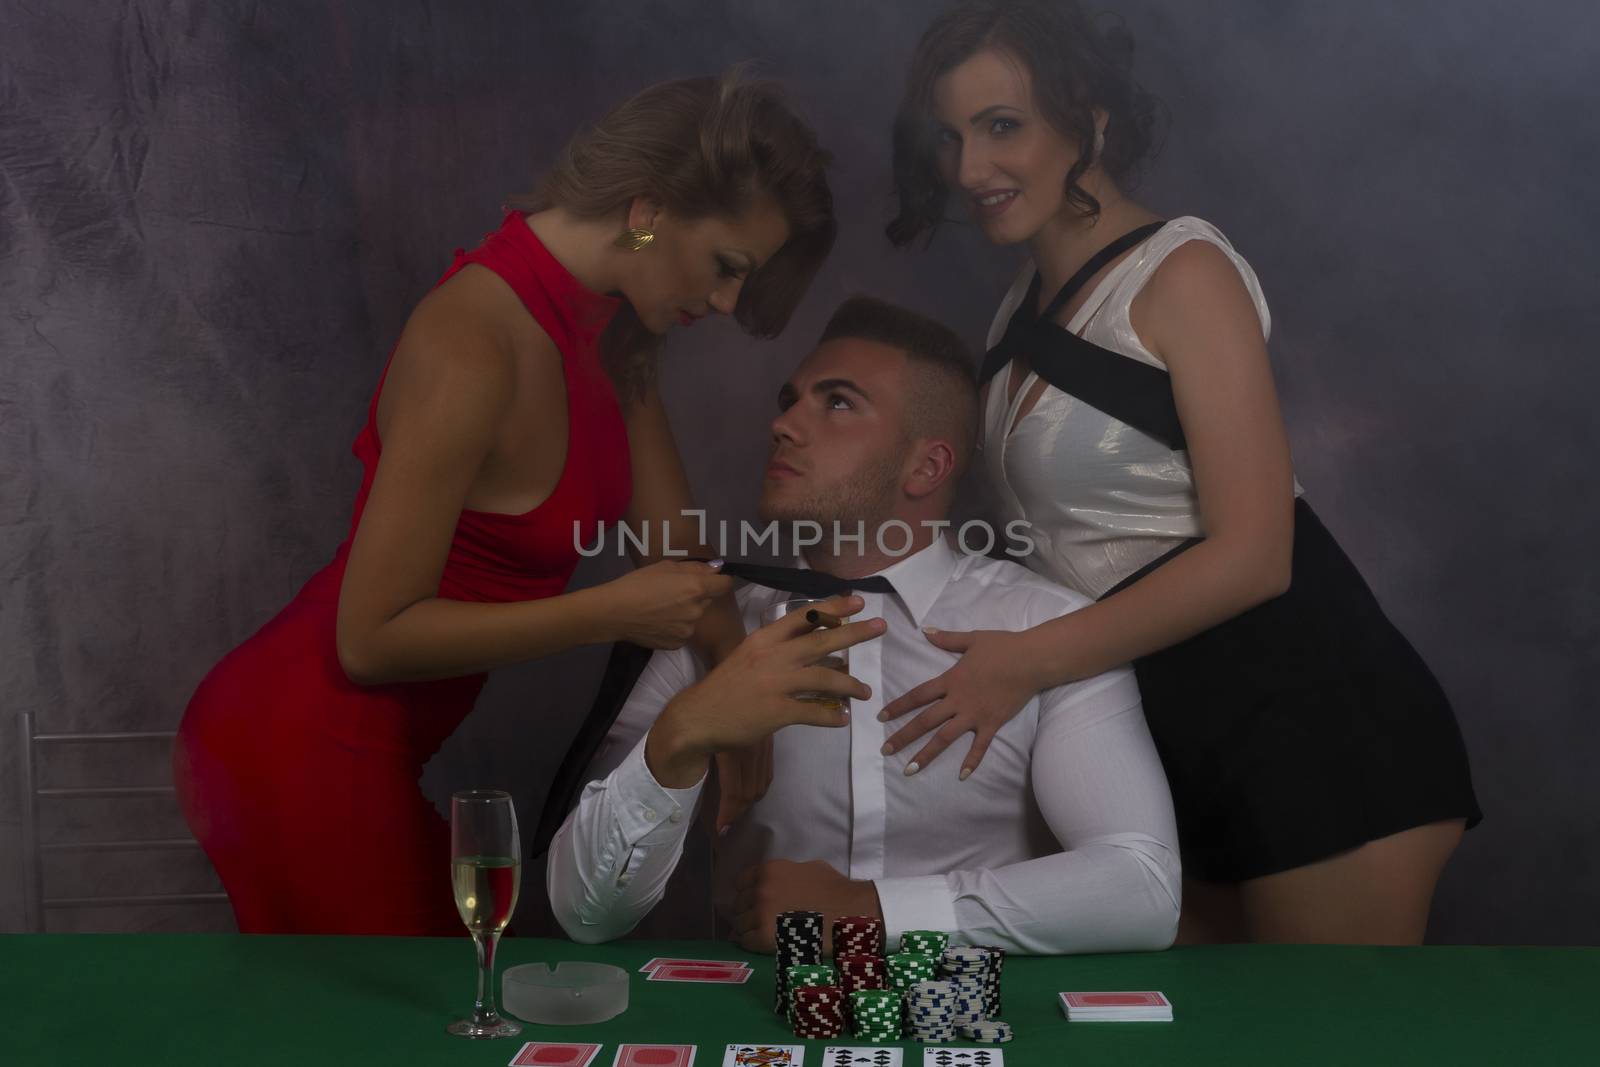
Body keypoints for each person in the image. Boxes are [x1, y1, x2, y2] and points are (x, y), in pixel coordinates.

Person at [172, 71, 837, 935]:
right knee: (428, 1023)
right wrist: (605, 612)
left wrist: (738, 698)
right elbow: (369, 639)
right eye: (725, 268)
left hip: (375, 751)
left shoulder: (617, 328)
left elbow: (674, 562)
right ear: (649, 209)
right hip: (292, 742)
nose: (725, 302)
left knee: (458, 1000)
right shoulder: (471, 337)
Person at [878, 0, 1480, 944]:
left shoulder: (1183, 269)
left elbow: (1255, 558)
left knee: (1313, 1040)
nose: (969, 170)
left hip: (1310, 720)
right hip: (1162, 737)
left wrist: (1025, 663)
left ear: (1090, 118)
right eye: (952, 137)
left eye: (1003, 127)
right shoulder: (1013, 314)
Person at [546, 297, 1180, 955]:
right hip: (761, 1037)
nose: (784, 424)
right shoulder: (713, 625)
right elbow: (585, 915)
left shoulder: (1046, 627)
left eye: (837, 402)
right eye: (790, 400)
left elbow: (1143, 888)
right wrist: (680, 736)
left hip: (980, 1037)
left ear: (926, 467)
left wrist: (870, 910)